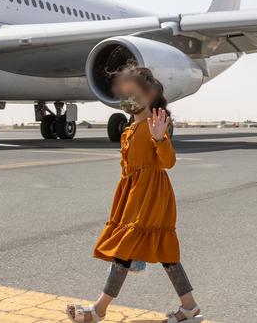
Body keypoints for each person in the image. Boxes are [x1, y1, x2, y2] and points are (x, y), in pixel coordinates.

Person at [66, 66, 202, 323]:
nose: (126, 100)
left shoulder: (155, 125)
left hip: (152, 196)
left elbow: (168, 162)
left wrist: (160, 138)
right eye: (123, 94)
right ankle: (190, 308)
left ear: (149, 94)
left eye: (132, 93)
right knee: (164, 255)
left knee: (127, 249)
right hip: (133, 195)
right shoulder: (130, 128)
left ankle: (99, 310)